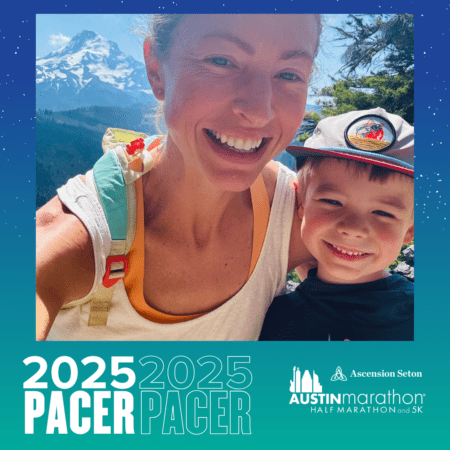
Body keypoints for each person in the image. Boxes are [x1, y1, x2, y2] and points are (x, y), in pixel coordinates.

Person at [36, 14, 321, 341]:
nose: (259, 110)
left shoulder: (296, 213)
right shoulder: (82, 236)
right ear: (156, 68)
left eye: (289, 74)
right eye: (221, 60)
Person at [259, 108, 414, 341]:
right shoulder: (274, 319)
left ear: (410, 230)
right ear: (300, 202)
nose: (353, 229)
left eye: (383, 212)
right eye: (332, 201)